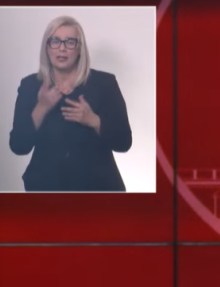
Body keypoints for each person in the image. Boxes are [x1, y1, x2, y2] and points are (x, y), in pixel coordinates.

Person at [8, 15, 133, 192]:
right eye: (55, 41)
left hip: (98, 190)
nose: (62, 48)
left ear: (80, 48)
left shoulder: (105, 83)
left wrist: (94, 121)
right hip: (45, 190)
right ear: (47, 47)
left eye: (70, 42)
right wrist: (41, 107)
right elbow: (18, 146)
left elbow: (124, 142)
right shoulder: (30, 85)